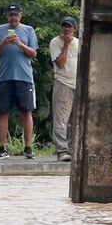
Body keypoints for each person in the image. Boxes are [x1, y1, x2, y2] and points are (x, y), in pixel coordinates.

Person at [0, 2, 39, 159]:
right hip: (3, 77)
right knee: (2, 112)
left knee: (26, 111)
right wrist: (3, 42)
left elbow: (33, 53)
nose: (13, 17)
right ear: (7, 16)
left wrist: (20, 44)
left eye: (16, 15)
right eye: (11, 15)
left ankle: (28, 147)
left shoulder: (28, 30)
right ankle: (3, 147)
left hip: (24, 77)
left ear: (21, 15)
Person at [49, 16, 79, 162]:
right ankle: (62, 150)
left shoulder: (79, 43)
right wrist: (66, 45)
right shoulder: (55, 42)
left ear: (74, 28)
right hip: (63, 83)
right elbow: (60, 63)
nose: (67, 28)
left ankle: (74, 149)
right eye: (64, 26)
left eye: (69, 26)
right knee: (61, 119)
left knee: (76, 119)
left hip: (78, 84)